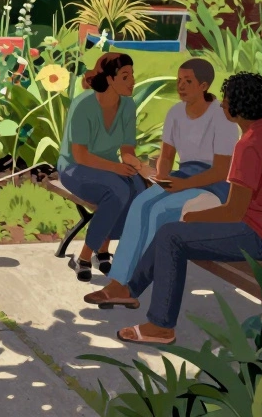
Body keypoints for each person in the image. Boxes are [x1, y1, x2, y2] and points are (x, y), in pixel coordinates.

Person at [88, 72, 262, 346]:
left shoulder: (249, 145)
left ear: (239, 105)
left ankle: (161, 326)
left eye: (226, 100)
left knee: (173, 236)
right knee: (171, 231)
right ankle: (129, 289)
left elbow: (232, 212)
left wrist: (193, 217)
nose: (223, 104)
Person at [87, 59, 238, 295]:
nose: (181, 86)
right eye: (179, 80)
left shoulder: (221, 117)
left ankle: (131, 285)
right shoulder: (176, 112)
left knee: (161, 211)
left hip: (213, 188)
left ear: (204, 85)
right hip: (183, 178)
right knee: (140, 203)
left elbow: (221, 171)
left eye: (188, 81)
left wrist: (182, 185)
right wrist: (163, 179)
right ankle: (118, 282)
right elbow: (167, 155)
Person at [57, 52, 143, 281]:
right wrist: (116, 169)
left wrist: (138, 166)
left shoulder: (127, 106)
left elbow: (126, 151)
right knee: (118, 190)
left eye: (132, 75)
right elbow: (80, 154)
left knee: (140, 190)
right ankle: (84, 257)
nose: (132, 81)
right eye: (125, 76)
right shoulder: (83, 105)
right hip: (74, 168)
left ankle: (102, 252)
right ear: (110, 79)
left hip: (107, 166)